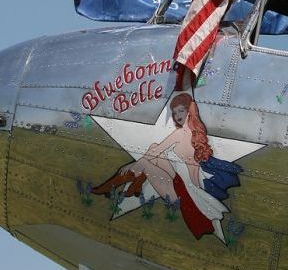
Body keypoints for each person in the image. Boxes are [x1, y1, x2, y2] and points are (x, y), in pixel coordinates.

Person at [92, 93, 242, 241]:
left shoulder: (179, 134)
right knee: (153, 148)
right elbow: (157, 151)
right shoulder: (195, 134)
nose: (177, 115)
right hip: (185, 184)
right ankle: (136, 184)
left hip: (185, 196)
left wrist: (134, 164)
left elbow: (156, 152)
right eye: (175, 112)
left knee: (145, 161)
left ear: (189, 111)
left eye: (181, 111)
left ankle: (110, 186)